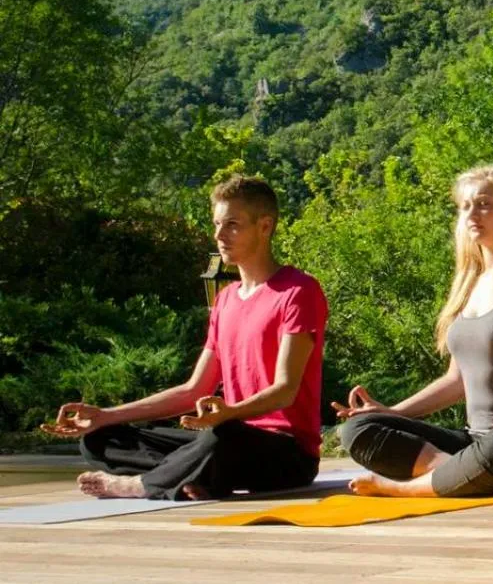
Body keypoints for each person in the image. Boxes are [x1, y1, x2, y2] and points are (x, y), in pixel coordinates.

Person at [42, 176, 327, 500]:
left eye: (232, 224)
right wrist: (106, 415)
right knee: (99, 438)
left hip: (286, 455)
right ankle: (190, 476)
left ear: (264, 226)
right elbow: (194, 390)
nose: (219, 235)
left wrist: (231, 413)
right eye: (217, 223)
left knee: (220, 437)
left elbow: (285, 391)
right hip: (226, 437)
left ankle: (142, 484)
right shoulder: (226, 300)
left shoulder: (298, 291)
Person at [333, 165, 493, 498]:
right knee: (358, 428)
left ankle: (407, 489)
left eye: (484, 204)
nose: (472, 213)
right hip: (475, 442)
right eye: (465, 206)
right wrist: (393, 411)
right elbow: (456, 380)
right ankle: (468, 475)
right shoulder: (467, 288)